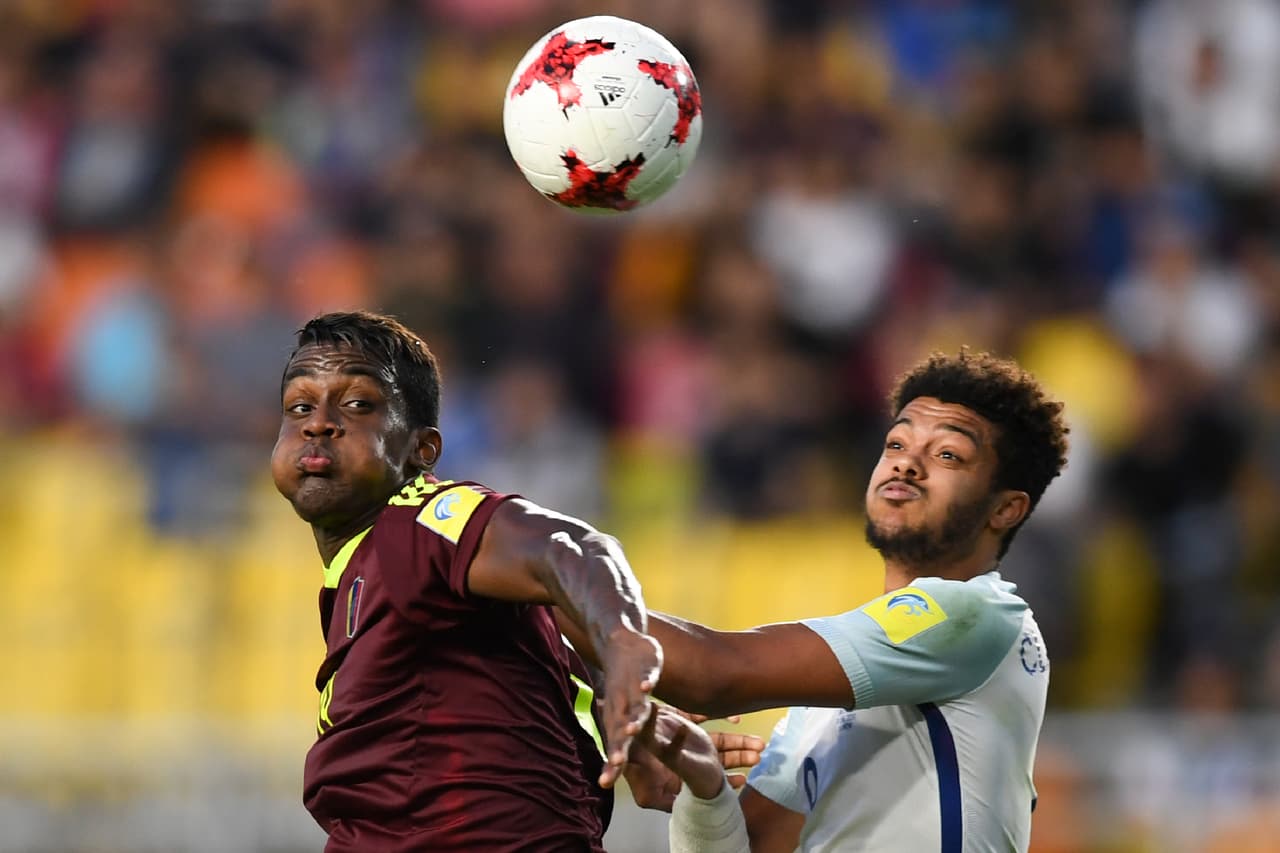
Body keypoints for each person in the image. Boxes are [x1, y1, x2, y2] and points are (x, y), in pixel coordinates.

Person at [572, 349, 1070, 851]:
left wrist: (552, 583)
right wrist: (702, 783)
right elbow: (746, 845)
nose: (906, 463)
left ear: (1006, 508)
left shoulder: (979, 616)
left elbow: (715, 672)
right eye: (896, 442)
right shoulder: (824, 705)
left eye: (947, 455)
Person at [270, 310, 666, 852]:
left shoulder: (422, 520)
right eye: (300, 407)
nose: (318, 423)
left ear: (422, 451)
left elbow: (573, 547)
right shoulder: (365, 579)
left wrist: (623, 641)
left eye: (358, 404)